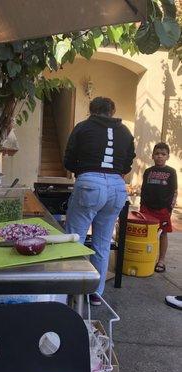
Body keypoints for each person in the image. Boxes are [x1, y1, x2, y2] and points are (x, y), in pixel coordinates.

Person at [64, 97, 135, 305]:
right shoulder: (125, 132)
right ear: (112, 111)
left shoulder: (82, 127)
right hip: (116, 187)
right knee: (102, 242)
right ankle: (95, 294)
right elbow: (129, 161)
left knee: (74, 239)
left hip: (89, 183)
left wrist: (82, 172)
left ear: (91, 110)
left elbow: (68, 159)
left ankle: (71, 290)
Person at [140, 142, 178, 273]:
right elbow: (143, 189)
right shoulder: (148, 172)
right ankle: (145, 258)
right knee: (146, 235)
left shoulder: (171, 172)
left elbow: (174, 191)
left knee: (163, 234)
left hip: (163, 210)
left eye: (163, 154)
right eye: (157, 154)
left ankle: (161, 260)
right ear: (152, 156)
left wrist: (169, 208)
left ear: (167, 156)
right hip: (147, 209)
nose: (160, 156)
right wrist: (142, 206)